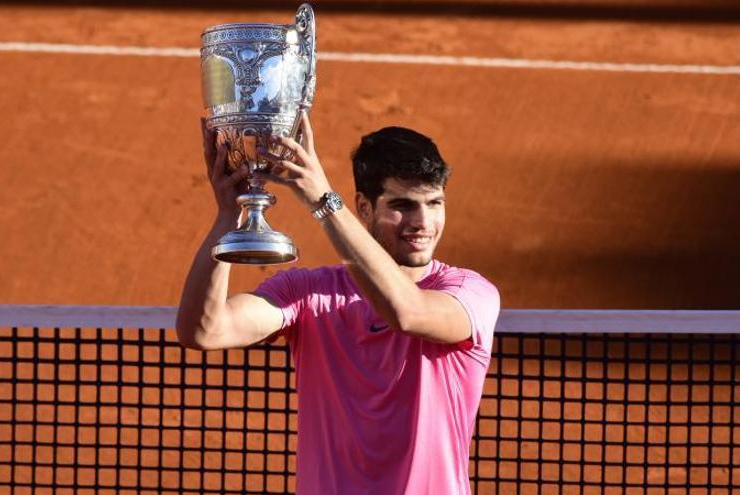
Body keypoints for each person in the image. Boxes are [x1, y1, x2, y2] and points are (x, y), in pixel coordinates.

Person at [176, 113, 500, 495]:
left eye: (434, 203)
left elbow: (407, 312)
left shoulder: (469, 293)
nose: (423, 222)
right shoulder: (311, 294)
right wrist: (229, 219)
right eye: (403, 205)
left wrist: (322, 201)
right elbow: (204, 330)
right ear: (364, 208)